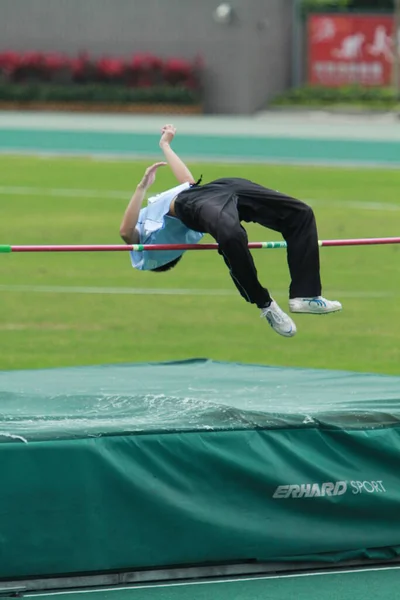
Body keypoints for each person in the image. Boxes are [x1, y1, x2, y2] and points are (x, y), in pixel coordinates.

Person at [120, 124, 342, 338]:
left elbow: (188, 182)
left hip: (220, 187)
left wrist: (165, 146)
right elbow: (125, 232)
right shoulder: (148, 251)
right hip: (194, 205)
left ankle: (306, 294)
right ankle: (265, 303)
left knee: (300, 213)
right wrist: (141, 188)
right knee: (232, 236)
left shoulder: (156, 225)